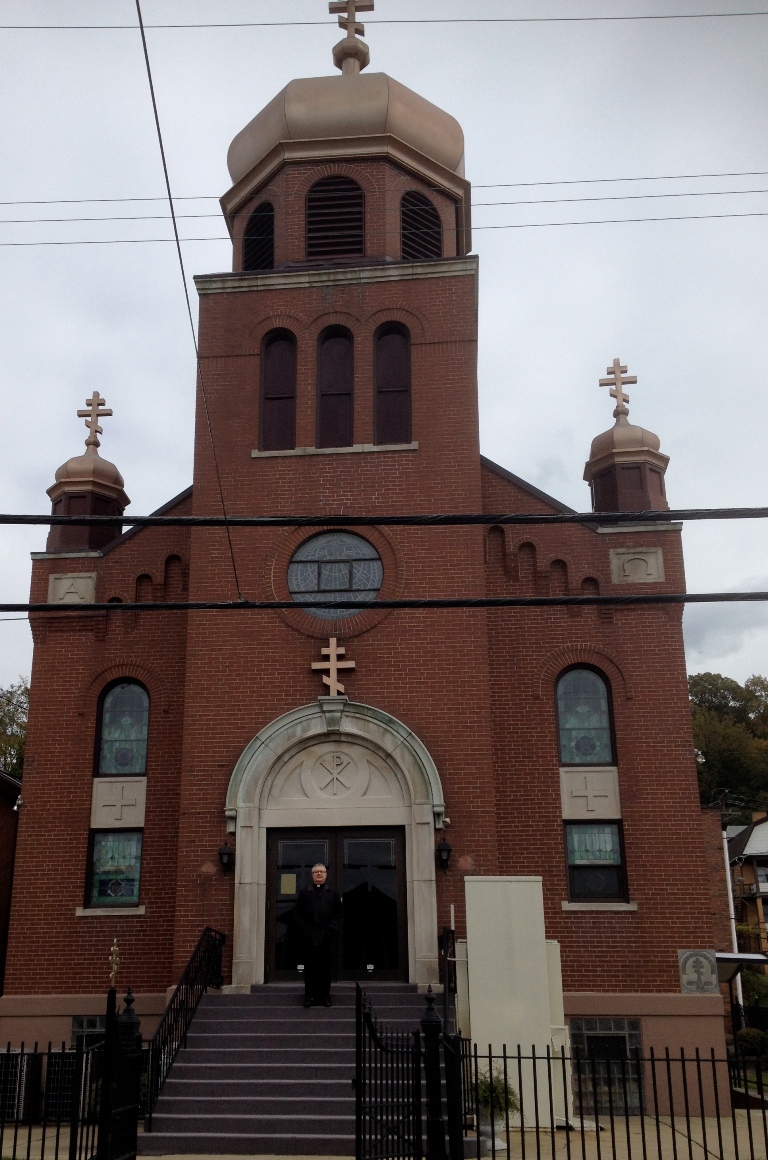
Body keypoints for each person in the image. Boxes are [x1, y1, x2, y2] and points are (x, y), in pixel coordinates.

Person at [293, 862, 343, 1007]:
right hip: (309, 938)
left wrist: (331, 930)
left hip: (326, 938)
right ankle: (309, 997)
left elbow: (339, 914)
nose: (319, 874)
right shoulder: (304, 893)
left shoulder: (333, 893)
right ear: (312, 875)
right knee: (310, 969)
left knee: (325, 969)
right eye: (316, 872)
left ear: (326, 875)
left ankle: (324, 997)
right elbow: (297, 913)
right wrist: (305, 929)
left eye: (322, 872)